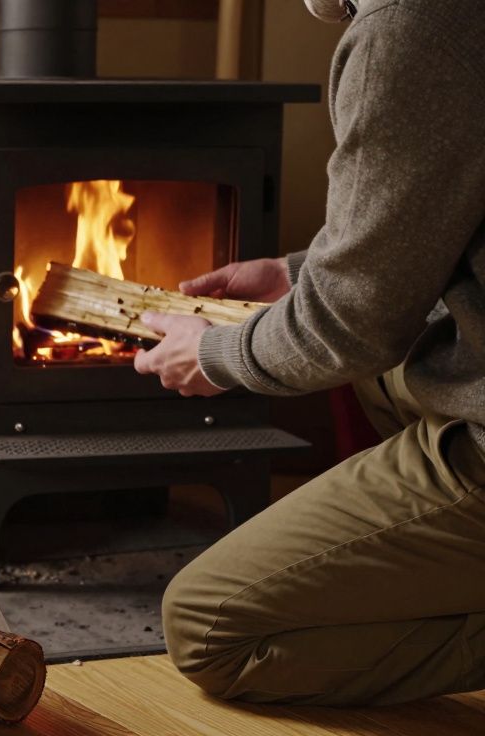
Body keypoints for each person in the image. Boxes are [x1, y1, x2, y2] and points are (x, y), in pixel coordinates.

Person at [134, 0, 485, 706]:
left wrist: (215, 355)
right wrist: (299, 274)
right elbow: (434, 212)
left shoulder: (409, 28)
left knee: (206, 626)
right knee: (386, 371)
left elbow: (351, 325)